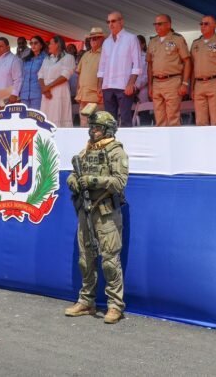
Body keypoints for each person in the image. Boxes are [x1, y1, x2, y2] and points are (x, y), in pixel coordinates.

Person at [64, 106, 129, 324]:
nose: (93, 131)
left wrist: (93, 181)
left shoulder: (116, 152)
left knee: (110, 261)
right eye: (92, 127)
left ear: (108, 130)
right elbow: (73, 174)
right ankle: (86, 301)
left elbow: (120, 182)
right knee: (85, 260)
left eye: (98, 128)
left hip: (106, 212)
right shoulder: (87, 151)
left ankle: (115, 306)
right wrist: (73, 181)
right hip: (86, 210)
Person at [97, 12, 142, 128]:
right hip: (107, 86)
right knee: (109, 123)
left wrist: (131, 84)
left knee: (126, 120)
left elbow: (137, 65)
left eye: (113, 21)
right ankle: (112, 140)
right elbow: (102, 66)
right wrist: (100, 85)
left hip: (123, 86)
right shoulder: (106, 42)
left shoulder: (131, 38)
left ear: (121, 22)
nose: (110, 24)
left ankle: (127, 141)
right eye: (108, 22)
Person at [146, 15, 191, 127]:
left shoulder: (177, 39)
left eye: (160, 24)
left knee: (173, 118)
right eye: (155, 24)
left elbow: (187, 61)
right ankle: (162, 138)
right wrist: (150, 85)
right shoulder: (152, 41)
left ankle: (175, 139)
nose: (157, 26)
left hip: (172, 81)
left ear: (169, 25)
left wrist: (185, 83)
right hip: (157, 82)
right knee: (159, 119)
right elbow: (150, 65)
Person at [190, 16, 216, 126]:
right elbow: (193, 67)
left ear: (215, 25)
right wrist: (192, 87)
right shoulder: (195, 43)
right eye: (201, 24)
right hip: (199, 84)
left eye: (206, 24)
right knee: (200, 121)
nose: (203, 26)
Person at [39, 36, 76, 127]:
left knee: (59, 116)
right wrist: (44, 89)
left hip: (59, 91)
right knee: (46, 118)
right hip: (46, 93)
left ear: (57, 45)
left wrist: (48, 87)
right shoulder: (47, 59)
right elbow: (40, 74)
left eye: (51, 44)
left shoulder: (68, 57)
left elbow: (65, 75)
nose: (49, 46)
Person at [75, 28, 105, 126]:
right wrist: (77, 92)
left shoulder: (105, 54)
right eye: (91, 38)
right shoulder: (85, 55)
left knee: (96, 125)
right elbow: (79, 74)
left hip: (96, 97)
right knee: (84, 124)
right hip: (83, 96)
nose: (93, 40)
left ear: (102, 39)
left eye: (96, 38)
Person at [20, 36, 48, 110]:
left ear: (41, 45)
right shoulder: (27, 59)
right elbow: (22, 76)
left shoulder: (46, 59)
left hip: (38, 93)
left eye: (35, 43)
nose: (33, 45)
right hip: (24, 94)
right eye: (31, 43)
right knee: (24, 116)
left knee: (35, 116)